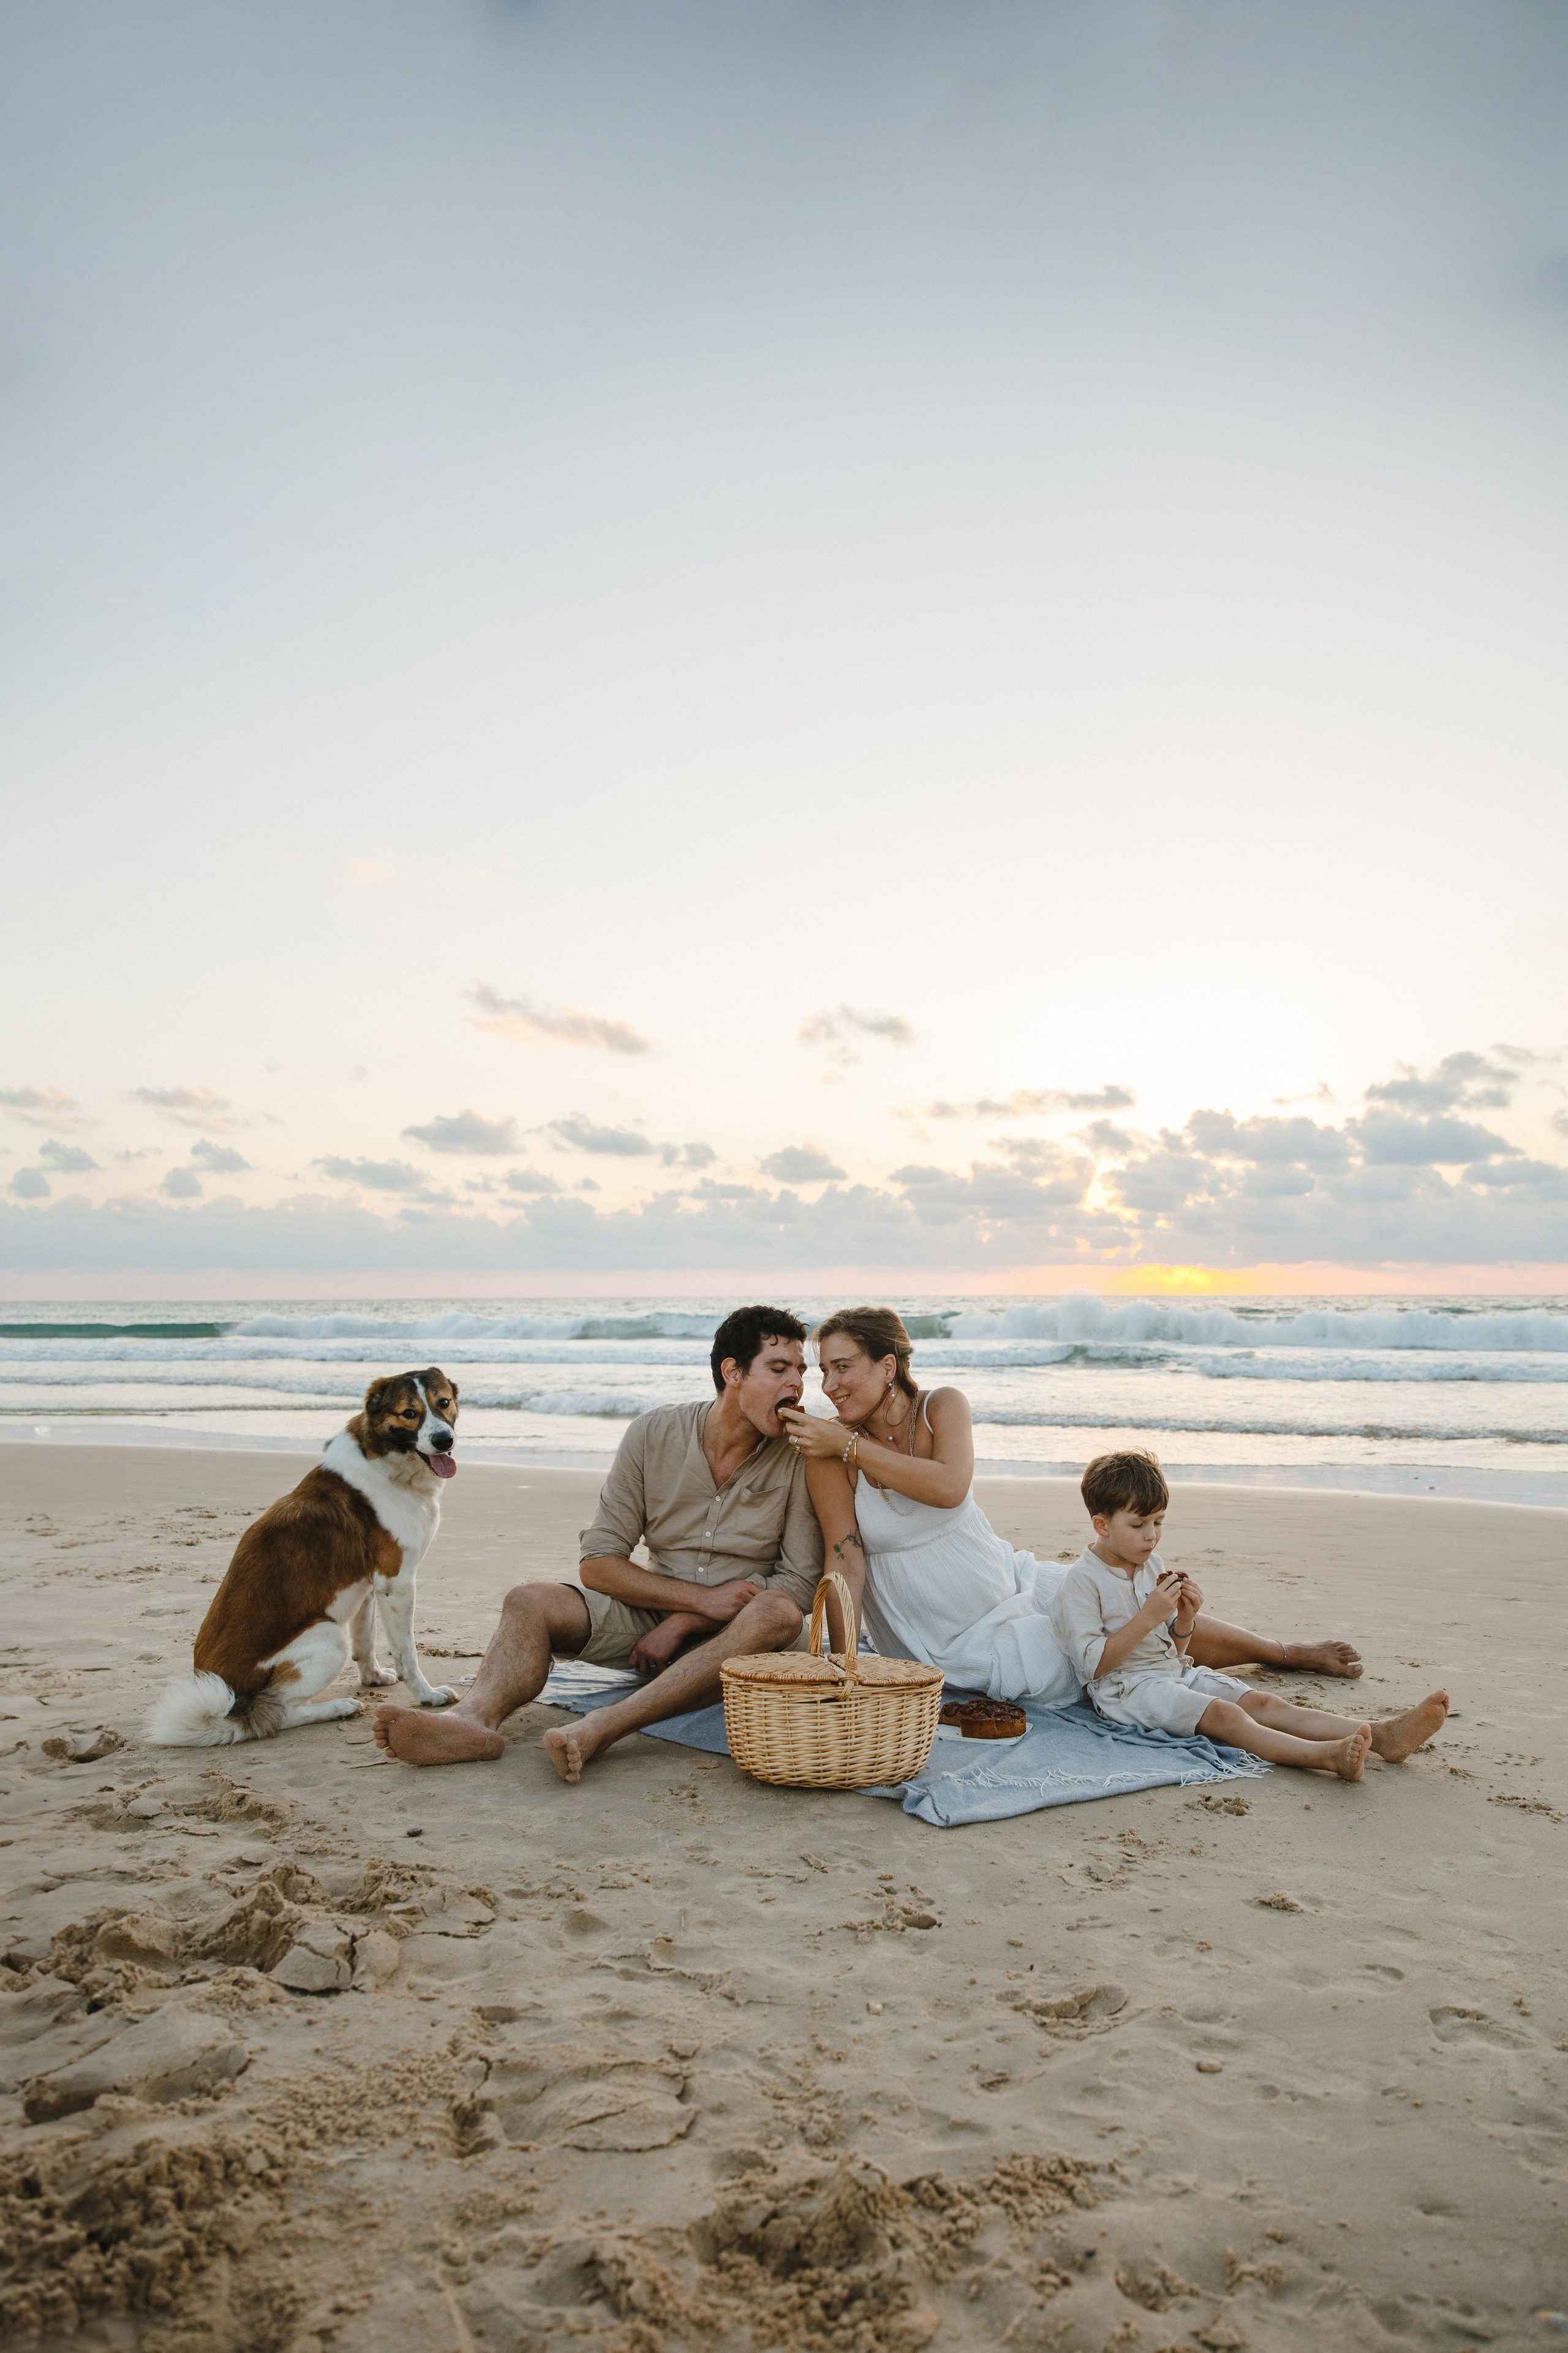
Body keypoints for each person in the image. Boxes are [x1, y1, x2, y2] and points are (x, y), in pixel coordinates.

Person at [777, 1305, 1365, 1699]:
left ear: (887, 1365)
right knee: (1110, 1655)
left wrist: (847, 1442)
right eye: (824, 1370)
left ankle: (1283, 1652)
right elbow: (845, 1560)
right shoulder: (828, 1452)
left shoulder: (942, 1406)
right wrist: (841, 1665)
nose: (829, 1385)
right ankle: (1247, 1704)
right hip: (948, 1633)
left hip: (1006, 1577)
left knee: (1123, 1597)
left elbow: (948, 1485)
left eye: (843, 1367)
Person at [373, 1305, 834, 1780]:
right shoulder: (653, 1434)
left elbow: (799, 1584)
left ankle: (608, 1724)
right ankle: (471, 1721)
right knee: (529, 1601)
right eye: (779, 1369)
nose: (796, 1385)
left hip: (746, 1628)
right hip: (651, 1612)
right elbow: (599, 1563)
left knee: (778, 1612)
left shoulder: (801, 1454)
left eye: (800, 1370)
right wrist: (694, 1600)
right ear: (732, 1372)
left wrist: (689, 1618)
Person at [1050, 1448, 1449, 1781]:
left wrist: (1185, 1620)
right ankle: (1324, 1756)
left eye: (1159, 1522)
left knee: (1264, 1703)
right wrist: (1149, 1616)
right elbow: (1094, 1666)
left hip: (1172, 1674)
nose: (1152, 1535)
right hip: (1128, 1692)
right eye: (1139, 1525)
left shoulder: (1152, 1565)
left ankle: (1382, 1735)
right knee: (1225, 1714)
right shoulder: (1082, 1582)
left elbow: (1174, 1648)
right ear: (1101, 1524)